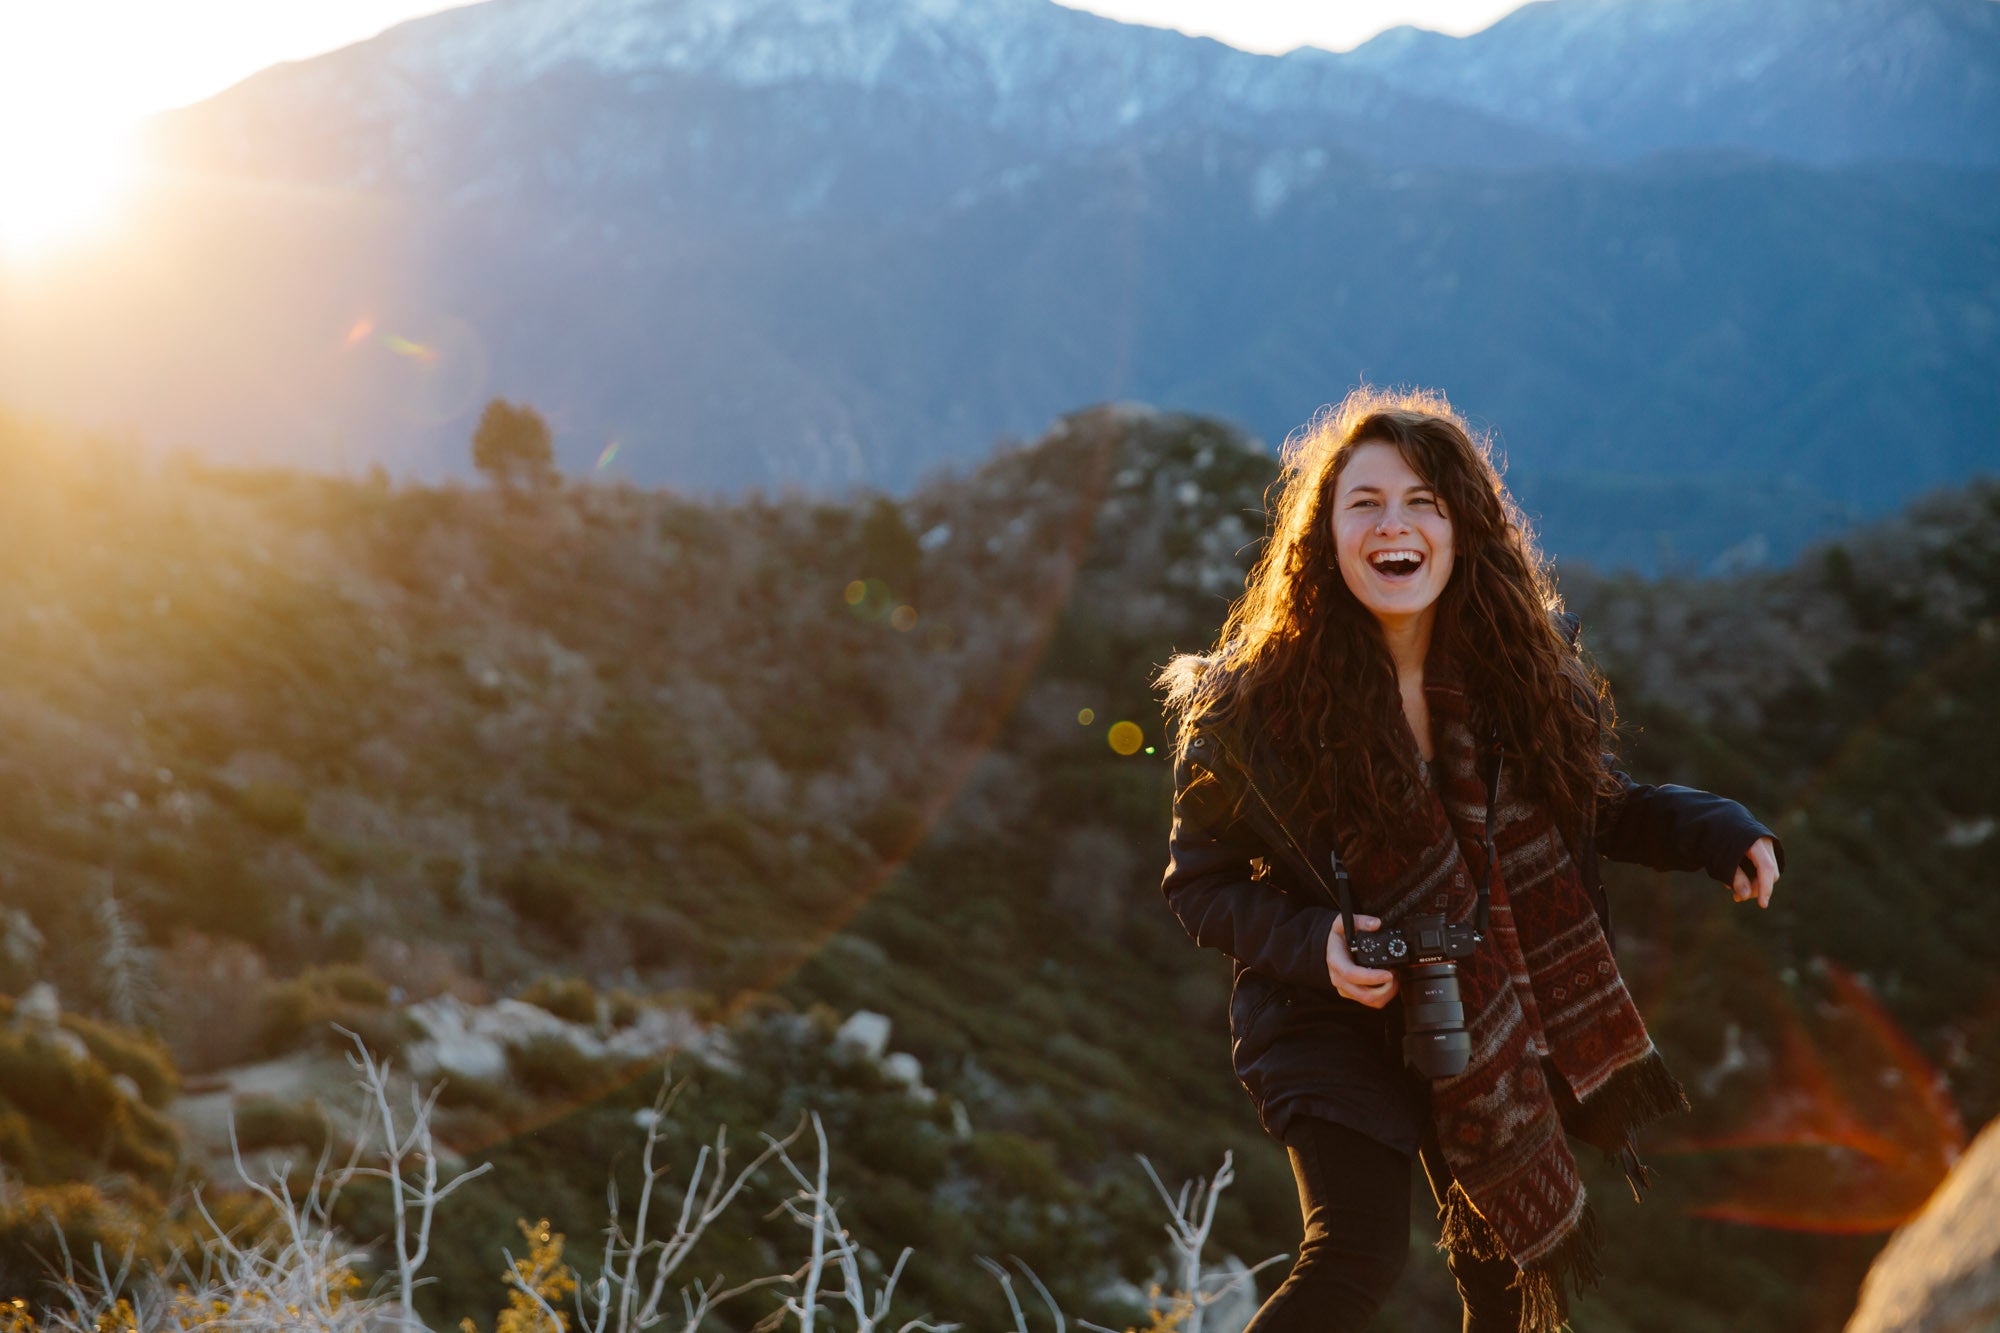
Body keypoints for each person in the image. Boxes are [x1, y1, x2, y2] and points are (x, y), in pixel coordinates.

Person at [1156, 388, 1783, 1333]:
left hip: (1481, 1014)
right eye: (1363, 502)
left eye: (1424, 501)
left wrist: (1721, 828)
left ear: (1464, 530)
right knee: (1355, 1255)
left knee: (1501, 1291)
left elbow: (1599, 805)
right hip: (1327, 1014)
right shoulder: (1257, 707)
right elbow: (1199, 885)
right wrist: (1318, 942)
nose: (1393, 525)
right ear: (1322, 532)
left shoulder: (1517, 674)